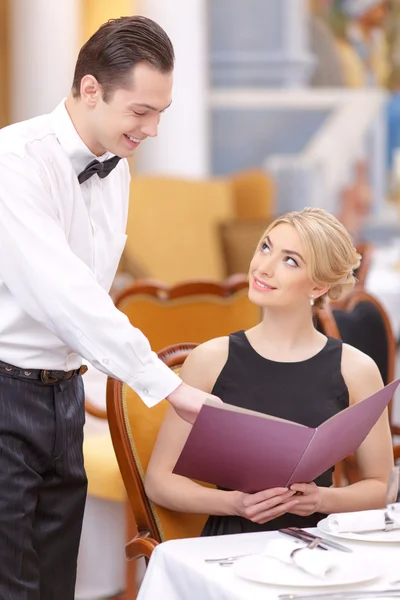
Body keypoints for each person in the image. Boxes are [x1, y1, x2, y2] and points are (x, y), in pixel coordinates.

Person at [0, 16, 219, 600]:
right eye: (140, 112)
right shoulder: (15, 161)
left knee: (54, 581)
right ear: (90, 88)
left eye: (160, 114)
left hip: (64, 395)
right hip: (6, 394)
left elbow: (93, 297)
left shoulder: (116, 170)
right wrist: (165, 385)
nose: (150, 130)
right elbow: (63, 292)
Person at [145, 207, 394, 536]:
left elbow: (381, 487)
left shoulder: (356, 369)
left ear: (318, 287)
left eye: (290, 260)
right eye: (265, 247)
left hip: (317, 548)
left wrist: (321, 499)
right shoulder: (210, 359)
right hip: (229, 546)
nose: (263, 267)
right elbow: (158, 482)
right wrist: (234, 504)